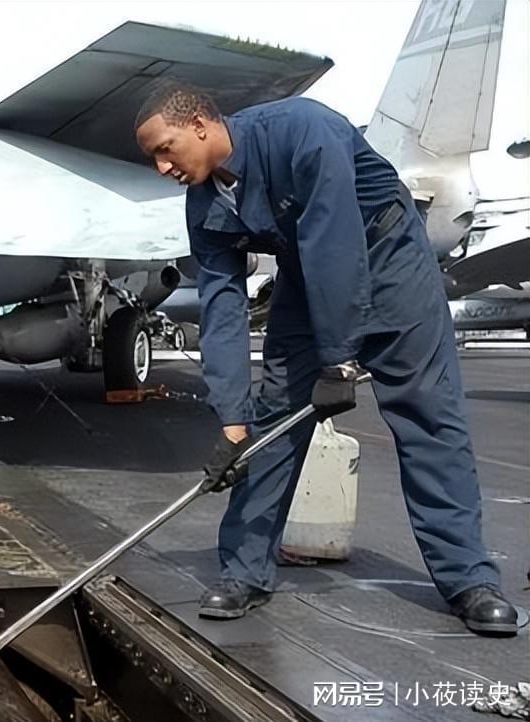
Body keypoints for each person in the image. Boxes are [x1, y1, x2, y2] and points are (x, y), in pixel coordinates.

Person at [133, 83, 517, 636]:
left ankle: (468, 580)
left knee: (428, 417)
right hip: (307, 276)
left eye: (165, 149)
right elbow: (222, 307)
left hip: (390, 259)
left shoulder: (302, 132)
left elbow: (332, 238)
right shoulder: (205, 203)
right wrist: (233, 426)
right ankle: (244, 571)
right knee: (273, 423)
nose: (162, 167)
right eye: (153, 158)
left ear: (199, 124)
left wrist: (338, 362)